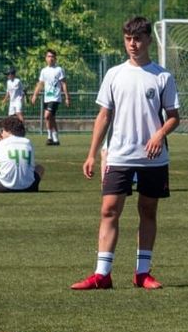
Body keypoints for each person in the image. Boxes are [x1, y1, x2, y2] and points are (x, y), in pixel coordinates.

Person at [72, 16, 179, 290]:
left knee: (147, 210)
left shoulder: (162, 76)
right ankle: (102, 274)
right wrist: (92, 153)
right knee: (109, 210)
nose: (133, 44)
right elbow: (104, 115)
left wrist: (159, 134)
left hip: (153, 158)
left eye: (138, 39)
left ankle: (142, 272)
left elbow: (174, 116)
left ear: (148, 40)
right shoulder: (114, 74)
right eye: (128, 39)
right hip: (119, 154)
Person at [31, 49, 70, 146]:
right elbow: (40, 84)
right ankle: (55, 138)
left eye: (52, 56)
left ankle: (49, 137)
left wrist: (67, 97)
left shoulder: (59, 70)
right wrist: (35, 95)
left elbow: (64, 83)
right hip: (47, 97)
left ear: (55, 58)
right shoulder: (44, 71)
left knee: (47, 116)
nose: (50, 58)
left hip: (55, 97)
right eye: (49, 56)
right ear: (46, 58)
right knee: (50, 118)